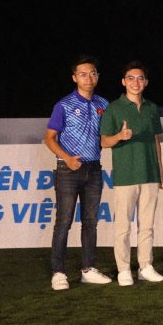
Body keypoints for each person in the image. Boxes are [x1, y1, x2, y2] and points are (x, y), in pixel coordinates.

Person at [44, 56, 112, 290]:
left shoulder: (103, 104)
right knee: (63, 222)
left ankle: (88, 269)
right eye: (83, 74)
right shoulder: (63, 105)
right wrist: (66, 158)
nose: (88, 77)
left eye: (92, 73)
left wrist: (120, 137)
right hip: (68, 170)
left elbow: (106, 137)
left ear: (97, 76)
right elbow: (49, 138)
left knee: (90, 222)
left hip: (94, 170)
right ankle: (58, 272)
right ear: (74, 78)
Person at [99, 61, 163, 286]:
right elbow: (104, 141)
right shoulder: (114, 108)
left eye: (140, 78)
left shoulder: (151, 108)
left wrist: (161, 171)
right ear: (123, 82)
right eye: (131, 78)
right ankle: (124, 269)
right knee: (123, 227)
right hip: (126, 176)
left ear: (145, 82)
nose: (135, 82)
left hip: (150, 174)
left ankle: (145, 266)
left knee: (147, 225)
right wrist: (119, 136)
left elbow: (156, 140)